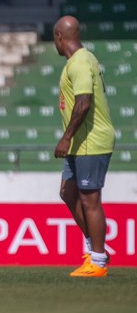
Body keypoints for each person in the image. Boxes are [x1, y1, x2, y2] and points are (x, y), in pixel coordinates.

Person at [52, 16, 115, 278]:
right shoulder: (85, 59)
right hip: (81, 141)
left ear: (59, 36)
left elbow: (84, 102)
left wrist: (66, 137)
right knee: (68, 192)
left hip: (89, 139)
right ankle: (96, 247)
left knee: (90, 199)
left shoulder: (78, 62)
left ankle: (97, 262)